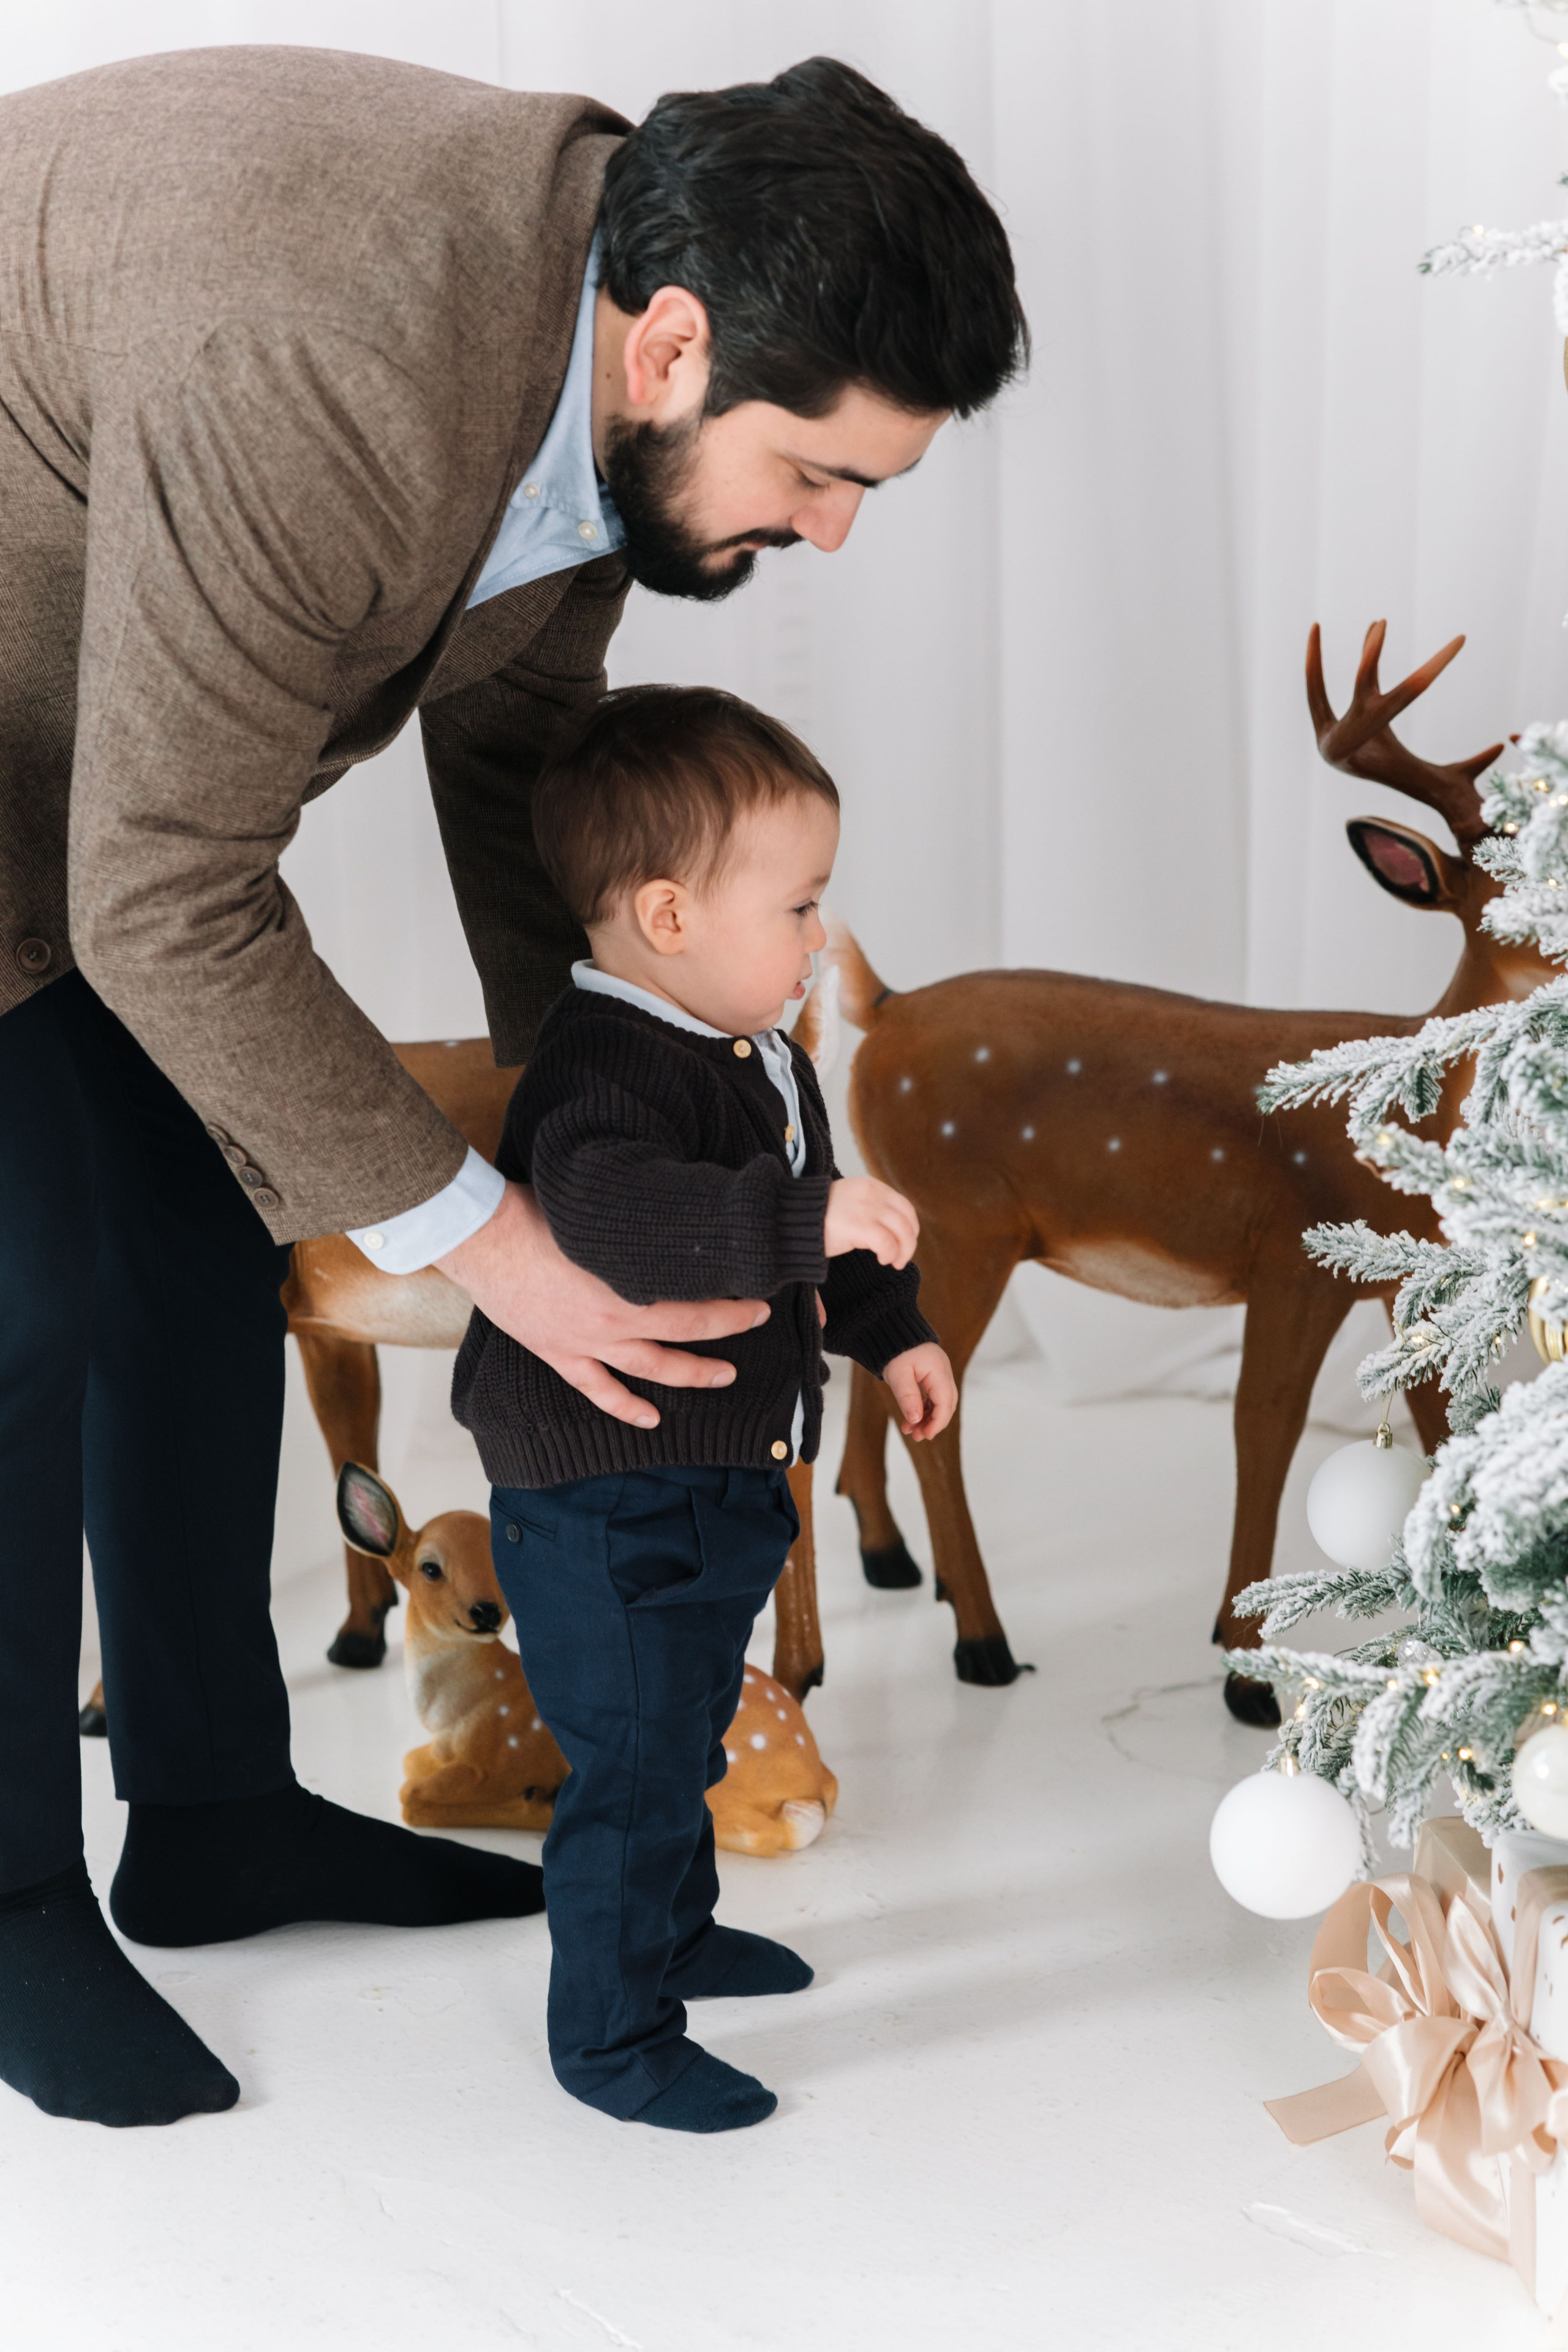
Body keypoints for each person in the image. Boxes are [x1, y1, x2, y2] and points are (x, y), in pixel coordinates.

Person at [0, 45, 1023, 2128]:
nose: (826, 535)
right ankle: (12, 1908)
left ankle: (206, 1816)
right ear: (676, 346)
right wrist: (505, 1249)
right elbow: (165, 892)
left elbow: (512, 750)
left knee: (194, 1239)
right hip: (78, 793)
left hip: (92, 753)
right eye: (823, 475)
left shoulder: (589, 353)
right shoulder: (337, 367)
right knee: (25, 1290)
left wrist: (612, 1112)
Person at [450, 685, 957, 2132]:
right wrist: (807, 1220)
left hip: (710, 1486)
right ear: (668, 919)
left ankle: (676, 1937)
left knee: (681, 1734)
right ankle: (613, 2038)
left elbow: (816, 1239)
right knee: (632, 1766)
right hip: (603, 1500)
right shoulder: (601, 1067)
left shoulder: (761, 1051)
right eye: (797, 907)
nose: (818, 940)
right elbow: (626, 1219)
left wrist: (891, 1333)